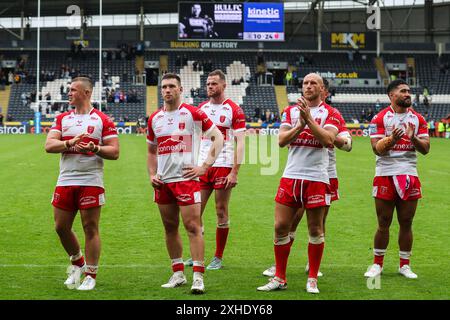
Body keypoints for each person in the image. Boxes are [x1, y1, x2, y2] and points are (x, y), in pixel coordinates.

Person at [257, 73, 340, 294]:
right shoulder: (290, 111)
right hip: (291, 175)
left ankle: (312, 278)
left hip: (316, 177)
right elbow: (282, 141)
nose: (309, 86)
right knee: (280, 226)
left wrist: (309, 121)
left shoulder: (331, 113)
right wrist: (300, 124)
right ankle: (280, 278)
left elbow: (328, 140)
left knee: (315, 229)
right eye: (305, 83)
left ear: (322, 89)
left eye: (314, 83)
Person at [146, 73, 224, 294]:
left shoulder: (193, 113)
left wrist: (204, 167)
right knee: (170, 228)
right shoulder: (154, 119)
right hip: (163, 182)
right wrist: (152, 174)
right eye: (164, 87)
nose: (167, 90)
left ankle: (198, 276)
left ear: (180, 90)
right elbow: (151, 151)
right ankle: (178, 273)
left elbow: (218, 137)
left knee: (193, 227)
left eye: (172, 86)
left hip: (186, 180)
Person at [45, 77, 120, 291]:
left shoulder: (102, 119)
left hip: (91, 180)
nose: (68, 93)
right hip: (66, 179)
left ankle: (90, 275)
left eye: (73, 90)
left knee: (90, 227)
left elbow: (114, 151)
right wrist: (71, 142)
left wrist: (95, 149)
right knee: (61, 227)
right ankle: (78, 264)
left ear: (86, 93)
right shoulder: (62, 118)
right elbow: (49, 145)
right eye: (68, 90)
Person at [365, 79, 430, 279]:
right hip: (385, 173)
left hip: (409, 174)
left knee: (406, 221)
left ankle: (405, 265)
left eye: (408, 91)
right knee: (383, 221)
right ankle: (377, 264)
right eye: (403, 91)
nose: (407, 94)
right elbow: (376, 149)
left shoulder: (418, 119)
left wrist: (412, 138)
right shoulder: (380, 118)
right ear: (391, 95)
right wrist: (392, 139)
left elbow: (426, 149)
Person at [184, 70, 246, 270]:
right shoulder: (201, 108)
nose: (210, 86)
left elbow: (241, 143)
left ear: (223, 86)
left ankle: (218, 257)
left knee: (221, 210)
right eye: (208, 84)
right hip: (202, 167)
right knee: (195, 213)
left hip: (224, 165)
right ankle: (196, 255)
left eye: (214, 84)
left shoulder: (234, 110)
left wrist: (234, 171)